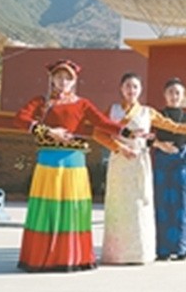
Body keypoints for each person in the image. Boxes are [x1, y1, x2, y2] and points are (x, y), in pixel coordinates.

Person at [94, 72, 186, 265]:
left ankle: (140, 252)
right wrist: (120, 148)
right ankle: (117, 253)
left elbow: (174, 127)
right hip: (120, 162)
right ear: (121, 89)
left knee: (141, 205)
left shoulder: (147, 112)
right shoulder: (113, 109)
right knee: (119, 205)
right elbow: (98, 133)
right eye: (127, 86)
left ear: (140, 90)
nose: (131, 90)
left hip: (139, 162)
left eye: (135, 86)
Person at [14, 59, 124, 272]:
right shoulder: (42, 101)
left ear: (74, 81)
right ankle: (42, 257)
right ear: (52, 79)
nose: (63, 81)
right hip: (48, 161)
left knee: (72, 207)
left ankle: (72, 256)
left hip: (74, 161)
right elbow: (20, 119)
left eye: (67, 78)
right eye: (59, 77)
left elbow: (102, 122)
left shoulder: (82, 104)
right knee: (47, 207)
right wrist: (48, 131)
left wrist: (128, 132)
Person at [153, 77, 186, 261]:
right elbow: (146, 136)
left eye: (177, 93)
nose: (174, 96)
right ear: (164, 95)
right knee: (163, 203)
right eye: (170, 92)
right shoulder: (157, 115)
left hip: (183, 163)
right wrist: (159, 144)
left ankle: (182, 246)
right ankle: (163, 248)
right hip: (163, 162)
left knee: (183, 204)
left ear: (183, 96)